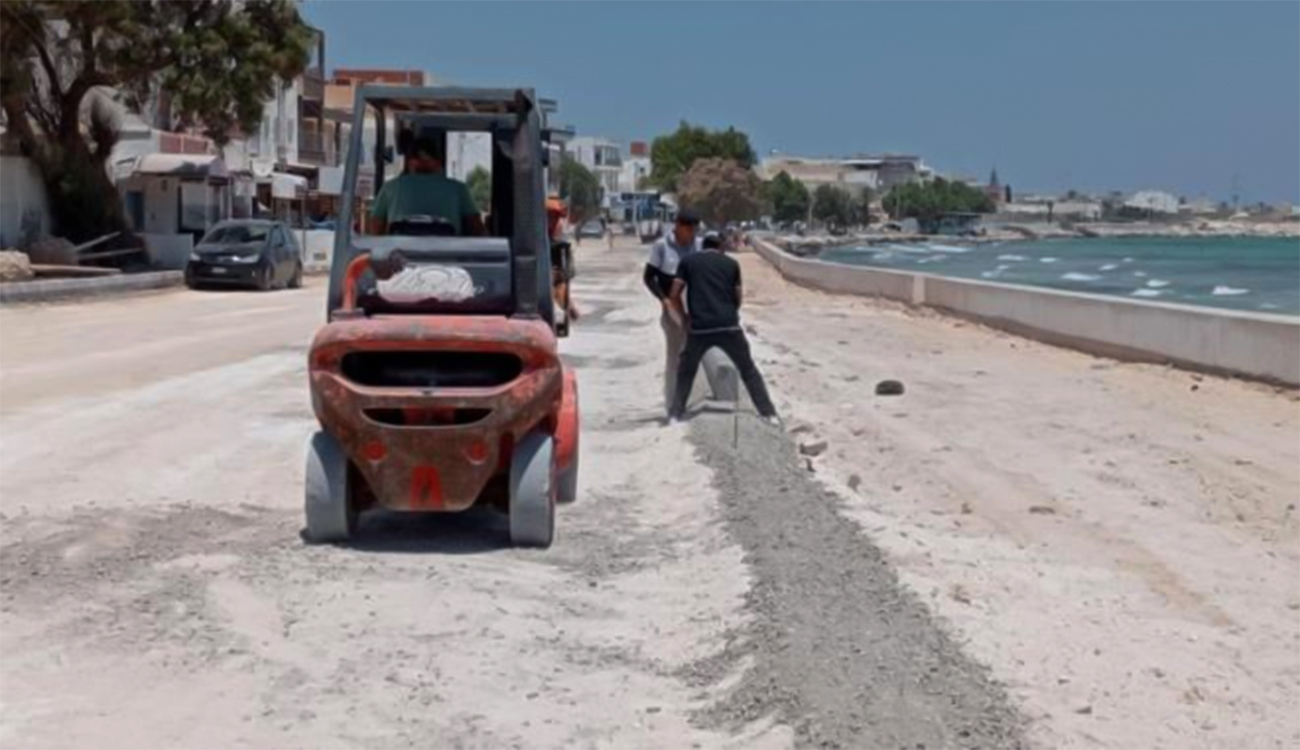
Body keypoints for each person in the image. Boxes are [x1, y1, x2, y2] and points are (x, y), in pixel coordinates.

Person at [666, 231, 779, 425]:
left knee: (686, 371)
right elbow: (738, 298)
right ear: (721, 247)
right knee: (748, 370)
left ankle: (676, 414)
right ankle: (768, 413)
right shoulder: (732, 264)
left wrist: (684, 317)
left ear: (703, 246)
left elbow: (674, 293)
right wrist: (729, 313)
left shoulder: (688, 262)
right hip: (729, 327)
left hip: (699, 328)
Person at [368, 134, 485, 237]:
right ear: (439, 163)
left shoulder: (390, 187)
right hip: (447, 257)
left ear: (409, 163)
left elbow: (375, 228)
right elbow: (477, 228)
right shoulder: (458, 189)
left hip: (399, 257)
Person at [644, 211, 702, 411]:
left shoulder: (699, 245)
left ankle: (686, 399)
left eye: (694, 230)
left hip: (696, 308)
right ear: (677, 226)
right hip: (673, 310)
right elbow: (649, 277)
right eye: (688, 230)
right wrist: (664, 300)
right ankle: (672, 403)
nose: (691, 235)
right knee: (675, 357)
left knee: (692, 358)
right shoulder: (661, 246)